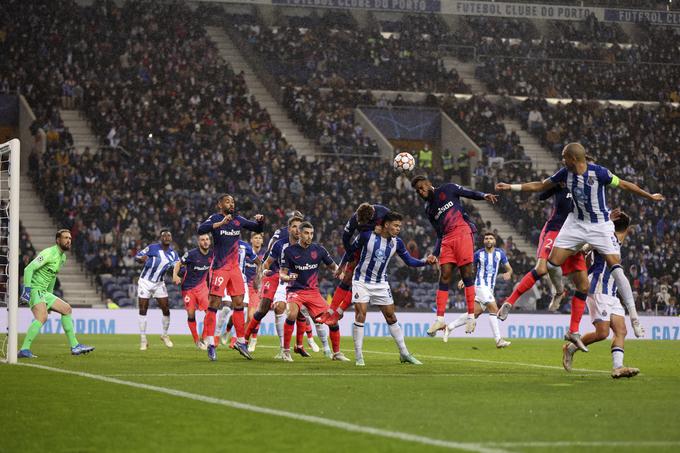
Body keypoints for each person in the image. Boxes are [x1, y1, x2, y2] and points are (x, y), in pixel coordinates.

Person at [495, 143, 661, 348]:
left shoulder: (599, 173)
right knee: (552, 265)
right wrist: (511, 187)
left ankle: (634, 318)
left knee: (615, 268)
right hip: (574, 224)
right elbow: (540, 185)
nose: (562, 160)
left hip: (599, 225)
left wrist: (649, 196)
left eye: (565, 157)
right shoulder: (565, 173)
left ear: (574, 159)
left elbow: (626, 184)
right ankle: (558, 291)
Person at [493, 184, 591, 350]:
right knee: (541, 269)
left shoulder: (589, 189)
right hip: (555, 230)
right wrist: (511, 187)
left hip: (576, 236)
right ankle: (509, 302)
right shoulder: (561, 181)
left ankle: (573, 330)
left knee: (583, 286)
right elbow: (539, 190)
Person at [343, 211, 437, 366]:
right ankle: (359, 356)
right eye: (395, 225)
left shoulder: (397, 242)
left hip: (381, 283)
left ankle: (404, 353)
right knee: (361, 314)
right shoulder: (367, 236)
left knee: (391, 317)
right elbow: (350, 249)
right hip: (361, 281)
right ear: (386, 225)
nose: (398, 228)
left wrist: (425, 262)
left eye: (400, 226)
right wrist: (342, 268)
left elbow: (409, 261)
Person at [410, 174, 498, 336]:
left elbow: (468, 192)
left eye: (422, 187)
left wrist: (483, 195)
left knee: (466, 275)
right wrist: (435, 254)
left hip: (463, 232)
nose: (421, 192)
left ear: (429, 183)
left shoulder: (448, 189)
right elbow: (439, 234)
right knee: (444, 276)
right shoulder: (428, 209)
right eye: (417, 191)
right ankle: (440, 319)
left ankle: (471, 317)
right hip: (447, 240)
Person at [562, 211, 643, 378]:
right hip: (598, 287)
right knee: (602, 333)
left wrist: (624, 221)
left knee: (621, 331)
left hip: (612, 292)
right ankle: (569, 348)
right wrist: (607, 220)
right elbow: (583, 248)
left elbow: (623, 231)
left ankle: (617, 367)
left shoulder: (616, 240)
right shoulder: (601, 235)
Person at [197, 194, 264, 361]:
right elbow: (200, 229)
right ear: (220, 204)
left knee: (239, 303)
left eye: (233, 201)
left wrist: (261, 220)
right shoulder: (215, 218)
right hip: (220, 268)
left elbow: (257, 229)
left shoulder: (238, 220)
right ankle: (211, 344)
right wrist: (220, 224)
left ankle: (241, 341)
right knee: (214, 303)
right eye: (228, 201)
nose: (231, 203)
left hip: (234, 270)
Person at [18, 229, 94, 358]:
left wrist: (50, 298)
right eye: (65, 238)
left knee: (67, 309)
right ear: (58, 240)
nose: (68, 240)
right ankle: (24, 349)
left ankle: (75, 346)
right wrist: (27, 291)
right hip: (35, 289)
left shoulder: (62, 257)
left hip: (44, 292)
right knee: (42, 317)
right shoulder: (48, 253)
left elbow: (52, 277)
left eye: (70, 238)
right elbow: (28, 269)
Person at [279, 222, 347, 362]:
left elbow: (333, 266)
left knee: (332, 319)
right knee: (292, 314)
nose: (309, 236)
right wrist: (288, 277)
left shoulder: (319, 250)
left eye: (311, 233)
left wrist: (340, 273)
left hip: (313, 292)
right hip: (295, 291)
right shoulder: (289, 251)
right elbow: (282, 273)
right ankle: (285, 351)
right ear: (300, 233)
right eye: (306, 233)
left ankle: (337, 353)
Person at [319, 203, 390, 326]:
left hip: (376, 252)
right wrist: (344, 263)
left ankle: (338, 313)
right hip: (361, 247)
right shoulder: (355, 219)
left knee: (358, 282)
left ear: (372, 216)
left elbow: (394, 228)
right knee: (346, 278)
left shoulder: (384, 213)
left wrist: (382, 230)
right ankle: (330, 312)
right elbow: (346, 239)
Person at [244, 214, 303, 353]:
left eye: (299, 226)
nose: (297, 229)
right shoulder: (280, 241)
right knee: (262, 309)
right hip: (273, 277)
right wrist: (262, 274)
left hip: (290, 280)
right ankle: (245, 340)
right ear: (289, 228)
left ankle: (294, 346)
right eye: (294, 226)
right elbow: (267, 261)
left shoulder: (305, 244)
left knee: (295, 310)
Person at [443, 233, 513, 348]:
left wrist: (508, 273)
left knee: (475, 313)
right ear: (484, 241)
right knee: (494, 309)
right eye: (486, 238)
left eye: (491, 238)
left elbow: (509, 269)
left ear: (494, 241)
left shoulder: (500, 253)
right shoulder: (478, 254)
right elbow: (469, 268)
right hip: (480, 286)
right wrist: (463, 279)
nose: (488, 240)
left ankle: (449, 327)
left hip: (489, 289)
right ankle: (498, 340)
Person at [136, 229, 180, 351]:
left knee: (166, 309)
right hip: (145, 282)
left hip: (159, 283)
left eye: (168, 235)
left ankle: (164, 335)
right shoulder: (152, 248)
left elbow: (177, 266)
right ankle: (143, 339)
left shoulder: (173, 254)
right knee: (143, 309)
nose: (166, 237)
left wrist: (177, 275)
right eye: (164, 235)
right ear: (161, 238)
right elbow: (138, 256)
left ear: (171, 238)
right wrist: (141, 259)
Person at [172, 233, 212, 350]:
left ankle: (204, 338)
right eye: (202, 240)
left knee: (209, 312)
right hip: (188, 288)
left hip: (202, 287)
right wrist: (175, 275)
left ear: (209, 241)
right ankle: (196, 340)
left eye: (207, 239)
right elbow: (178, 263)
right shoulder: (191, 254)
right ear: (199, 242)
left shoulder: (212, 254)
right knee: (191, 314)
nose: (205, 241)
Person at [244, 232, 264, 352]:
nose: (257, 240)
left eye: (259, 238)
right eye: (255, 238)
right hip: (243, 285)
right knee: (247, 318)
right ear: (251, 240)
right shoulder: (246, 252)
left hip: (256, 287)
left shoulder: (265, 254)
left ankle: (254, 339)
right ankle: (240, 339)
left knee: (253, 315)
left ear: (262, 241)